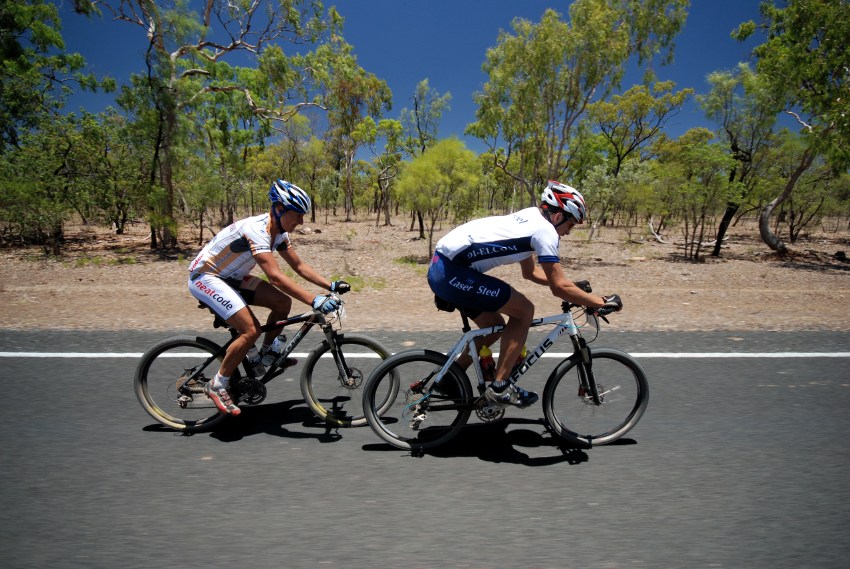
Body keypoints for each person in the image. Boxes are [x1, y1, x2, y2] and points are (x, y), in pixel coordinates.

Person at [427, 180, 623, 407]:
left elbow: (530, 273)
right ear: (558, 217)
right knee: (524, 311)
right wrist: (599, 302)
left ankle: (453, 375)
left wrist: (574, 290)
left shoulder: (531, 217)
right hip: (453, 273)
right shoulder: (545, 232)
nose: (569, 232)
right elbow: (558, 287)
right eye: (571, 224)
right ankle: (500, 387)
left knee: (494, 326)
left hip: (444, 267)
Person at [188, 179, 350, 416]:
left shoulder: (279, 233)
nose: (302, 221)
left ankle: (264, 356)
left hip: (232, 278)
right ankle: (218, 384)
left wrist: (330, 284)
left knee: (282, 302)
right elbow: (275, 276)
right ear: (279, 209)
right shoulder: (257, 230)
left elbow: (299, 266)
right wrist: (314, 300)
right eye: (298, 214)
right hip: (206, 277)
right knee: (250, 330)